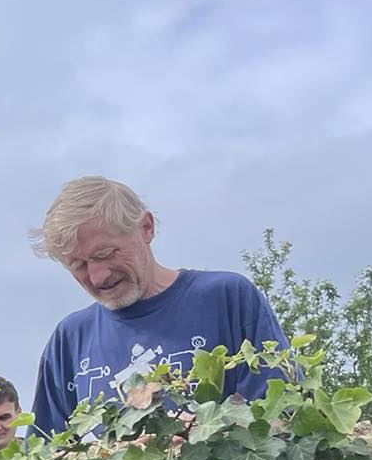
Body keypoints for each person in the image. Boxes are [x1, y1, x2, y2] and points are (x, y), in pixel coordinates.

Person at [29, 176, 288, 436]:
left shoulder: (227, 298)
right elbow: (45, 459)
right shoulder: (70, 338)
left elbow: (280, 421)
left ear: (146, 228)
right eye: (78, 265)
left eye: (105, 254)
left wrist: (199, 435)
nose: (98, 276)